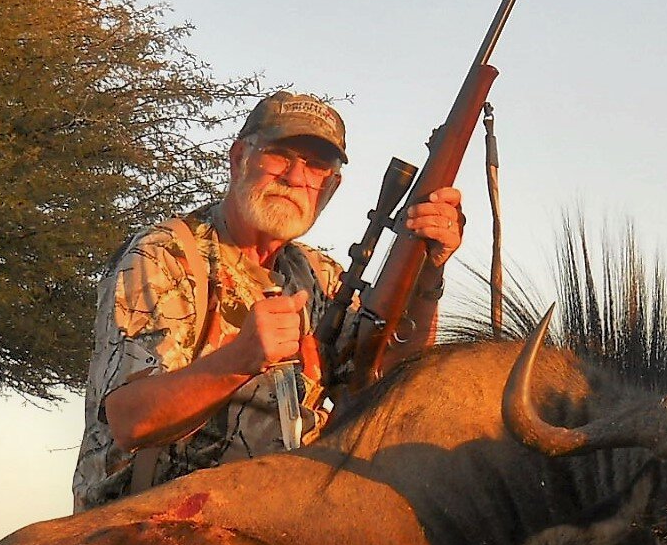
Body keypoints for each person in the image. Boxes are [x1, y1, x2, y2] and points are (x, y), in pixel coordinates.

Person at [71, 91, 464, 511]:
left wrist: (427, 272)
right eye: (280, 154)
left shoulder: (320, 277)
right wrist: (239, 359)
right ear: (238, 157)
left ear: (331, 186)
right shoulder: (166, 253)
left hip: (281, 522)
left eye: (316, 166)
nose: (296, 177)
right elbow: (131, 419)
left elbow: (390, 380)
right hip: (152, 523)